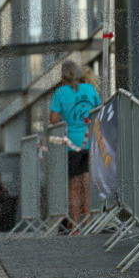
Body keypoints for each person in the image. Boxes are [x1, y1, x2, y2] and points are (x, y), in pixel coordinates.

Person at [50, 60, 100, 227]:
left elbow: (53, 120)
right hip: (91, 142)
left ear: (63, 77)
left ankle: (75, 225)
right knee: (87, 184)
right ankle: (89, 222)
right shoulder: (90, 89)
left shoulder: (60, 93)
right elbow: (99, 111)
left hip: (72, 144)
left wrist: (67, 122)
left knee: (73, 186)